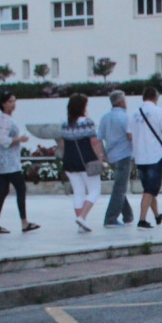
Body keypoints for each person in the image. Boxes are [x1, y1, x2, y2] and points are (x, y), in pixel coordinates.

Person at [0, 90, 39, 235]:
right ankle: (24, 222)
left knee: (3, 191)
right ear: (3, 104)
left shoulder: (3, 119)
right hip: (8, 162)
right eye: (10, 101)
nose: (13, 104)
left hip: (3, 162)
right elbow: (3, 141)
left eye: (14, 101)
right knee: (20, 189)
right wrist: (19, 139)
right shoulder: (5, 120)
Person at [60, 93, 107, 233]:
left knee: (78, 192)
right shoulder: (87, 122)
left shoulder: (65, 123)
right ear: (82, 106)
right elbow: (94, 142)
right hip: (87, 161)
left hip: (69, 162)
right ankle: (82, 217)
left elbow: (62, 144)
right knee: (94, 190)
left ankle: (81, 222)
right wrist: (101, 157)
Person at [129, 85, 162, 229]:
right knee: (150, 190)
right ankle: (142, 220)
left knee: (148, 188)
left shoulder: (134, 114)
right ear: (155, 97)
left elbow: (129, 135)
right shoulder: (159, 112)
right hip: (155, 155)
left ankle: (157, 215)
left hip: (139, 157)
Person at [97, 89, 134, 227]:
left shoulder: (105, 118)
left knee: (119, 185)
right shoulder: (125, 117)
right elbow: (130, 136)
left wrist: (103, 155)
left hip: (111, 156)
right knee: (120, 188)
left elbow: (99, 139)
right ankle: (110, 218)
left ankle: (128, 215)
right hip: (123, 155)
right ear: (121, 101)